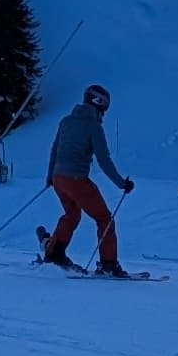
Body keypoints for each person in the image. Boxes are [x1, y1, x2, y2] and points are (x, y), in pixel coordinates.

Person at [39, 84, 135, 275]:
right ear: (99, 104)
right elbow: (103, 160)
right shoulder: (93, 127)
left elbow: (54, 150)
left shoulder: (66, 121)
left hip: (58, 178)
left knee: (72, 214)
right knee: (104, 218)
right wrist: (121, 183)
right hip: (76, 180)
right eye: (104, 108)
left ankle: (54, 254)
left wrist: (50, 176)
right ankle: (109, 264)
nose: (103, 114)